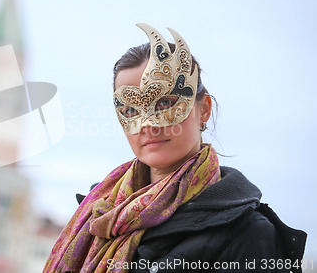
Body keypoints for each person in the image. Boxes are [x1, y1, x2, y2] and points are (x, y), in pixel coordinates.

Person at [43, 23, 307, 273]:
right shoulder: (95, 214)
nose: (148, 124)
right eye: (130, 110)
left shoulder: (250, 234)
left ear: (203, 110)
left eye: (165, 103)